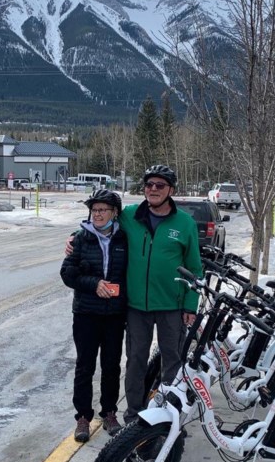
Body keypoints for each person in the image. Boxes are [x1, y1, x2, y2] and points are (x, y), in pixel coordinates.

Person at [66, 165, 203, 425]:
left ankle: (167, 415)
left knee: (172, 362)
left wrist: (190, 305)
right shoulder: (130, 216)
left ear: (171, 190)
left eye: (159, 185)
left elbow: (194, 268)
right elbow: (99, 224)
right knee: (136, 362)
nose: (152, 189)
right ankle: (134, 415)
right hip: (136, 306)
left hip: (170, 305)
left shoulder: (184, 223)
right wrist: (75, 237)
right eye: (149, 184)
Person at [60, 189, 128, 442]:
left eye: (103, 210)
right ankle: (82, 418)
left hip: (114, 314)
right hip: (87, 313)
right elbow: (68, 274)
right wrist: (93, 283)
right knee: (84, 366)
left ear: (114, 213)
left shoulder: (124, 239)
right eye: (94, 210)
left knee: (111, 366)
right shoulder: (80, 239)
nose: (97, 214)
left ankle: (109, 413)